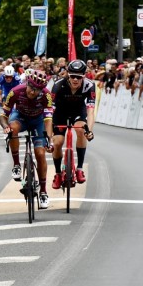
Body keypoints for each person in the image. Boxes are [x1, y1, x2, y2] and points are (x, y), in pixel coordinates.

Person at [0, 68, 53, 209]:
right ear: (27, 84)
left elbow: (48, 119)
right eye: (31, 88)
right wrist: (5, 127)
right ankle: (16, 165)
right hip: (20, 117)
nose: (33, 92)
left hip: (38, 121)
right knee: (13, 128)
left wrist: (49, 139)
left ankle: (43, 192)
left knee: (40, 153)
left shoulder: (46, 95)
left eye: (37, 90)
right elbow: (3, 116)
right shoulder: (16, 91)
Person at [50, 60, 96, 189]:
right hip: (60, 113)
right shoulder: (58, 85)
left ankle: (79, 169)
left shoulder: (89, 85)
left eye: (79, 77)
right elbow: (50, 111)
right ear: (68, 75)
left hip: (78, 112)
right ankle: (58, 173)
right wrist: (49, 132)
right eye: (72, 76)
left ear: (84, 76)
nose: (75, 79)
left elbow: (91, 111)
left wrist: (89, 131)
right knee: (58, 142)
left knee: (81, 130)